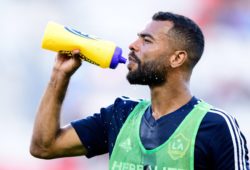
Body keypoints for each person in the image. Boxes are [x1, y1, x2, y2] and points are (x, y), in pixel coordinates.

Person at [30, 11, 249, 169]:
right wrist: (60, 75)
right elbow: (44, 147)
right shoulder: (120, 114)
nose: (133, 45)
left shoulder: (216, 126)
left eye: (147, 40)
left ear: (177, 58)